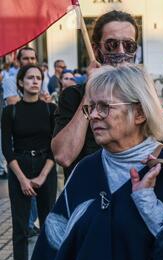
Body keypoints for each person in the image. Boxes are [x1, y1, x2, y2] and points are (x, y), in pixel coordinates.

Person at [22, 64, 163, 260]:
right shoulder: (86, 169)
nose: (93, 115)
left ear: (139, 113)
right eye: (91, 107)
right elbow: (53, 245)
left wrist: (150, 207)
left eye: (104, 107)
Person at [51, 10, 140, 180]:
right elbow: (63, 156)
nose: (121, 52)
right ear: (96, 49)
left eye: (129, 45)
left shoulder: (140, 96)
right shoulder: (74, 96)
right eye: (112, 44)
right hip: (87, 195)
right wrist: (91, 92)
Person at [1, 64, 57, 260]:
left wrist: (42, 176)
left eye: (38, 78)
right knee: (20, 225)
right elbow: (7, 148)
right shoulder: (10, 112)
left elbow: (55, 146)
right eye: (30, 78)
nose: (34, 81)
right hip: (19, 169)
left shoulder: (50, 110)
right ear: (21, 82)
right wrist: (23, 180)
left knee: (49, 224)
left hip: (46, 167)